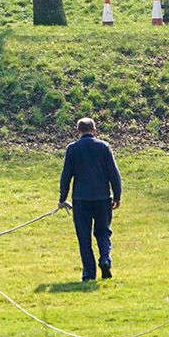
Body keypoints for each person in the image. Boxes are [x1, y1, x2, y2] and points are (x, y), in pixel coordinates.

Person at [58, 117, 121, 282]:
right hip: (102, 198)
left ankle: (88, 273)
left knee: (84, 237)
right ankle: (105, 259)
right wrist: (117, 195)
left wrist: (62, 198)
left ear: (78, 131)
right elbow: (114, 174)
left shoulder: (72, 149)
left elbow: (66, 176)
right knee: (103, 232)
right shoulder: (104, 147)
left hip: (81, 199)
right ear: (94, 130)